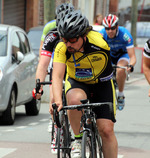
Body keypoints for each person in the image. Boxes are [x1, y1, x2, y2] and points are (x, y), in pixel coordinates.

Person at [51, 10, 118, 158]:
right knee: (74, 100)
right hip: (78, 82)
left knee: (106, 130)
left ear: (84, 35)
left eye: (73, 40)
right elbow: (57, 75)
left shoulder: (99, 43)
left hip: (102, 83)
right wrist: (57, 101)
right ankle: (78, 140)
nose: (68, 44)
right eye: (64, 39)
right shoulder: (62, 47)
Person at [32, 3, 74, 154]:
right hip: (56, 65)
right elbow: (43, 64)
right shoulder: (51, 33)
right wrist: (39, 85)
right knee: (54, 99)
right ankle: (56, 126)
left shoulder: (78, 33)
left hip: (74, 67)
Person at [99, 14, 136, 110]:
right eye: (107, 28)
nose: (110, 31)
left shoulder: (125, 35)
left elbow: (132, 57)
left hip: (122, 55)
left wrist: (131, 66)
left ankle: (120, 94)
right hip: (109, 56)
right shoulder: (101, 35)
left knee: (120, 69)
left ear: (117, 27)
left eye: (112, 28)